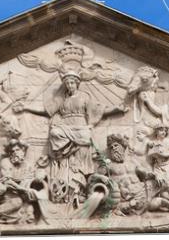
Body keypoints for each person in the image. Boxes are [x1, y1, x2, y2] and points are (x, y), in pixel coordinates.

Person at [13, 70, 128, 205]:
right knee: (54, 132)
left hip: (81, 128)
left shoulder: (84, 97)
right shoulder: (62, 100)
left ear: (77, 83)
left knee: (83, 146)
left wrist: (117, 109)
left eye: (72, 82)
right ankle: (66, 175)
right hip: (66, 128)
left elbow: (99, 109)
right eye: (67, 83)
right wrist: (26, 107)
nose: (70, 85)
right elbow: (46, 110)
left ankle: (80, 190)